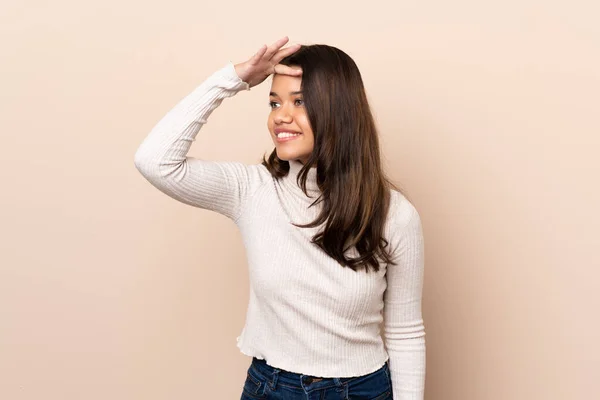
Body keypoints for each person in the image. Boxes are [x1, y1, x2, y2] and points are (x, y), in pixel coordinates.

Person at [134, 36, 425, 400]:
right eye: (274, 102)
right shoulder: (252, 190)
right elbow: (155, 161)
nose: (280, 116)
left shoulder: (393, 214)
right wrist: (233, 79)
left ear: (339, 110)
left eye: (299, 101)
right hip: (271, 388)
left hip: (362, 390)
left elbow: (405, 332)